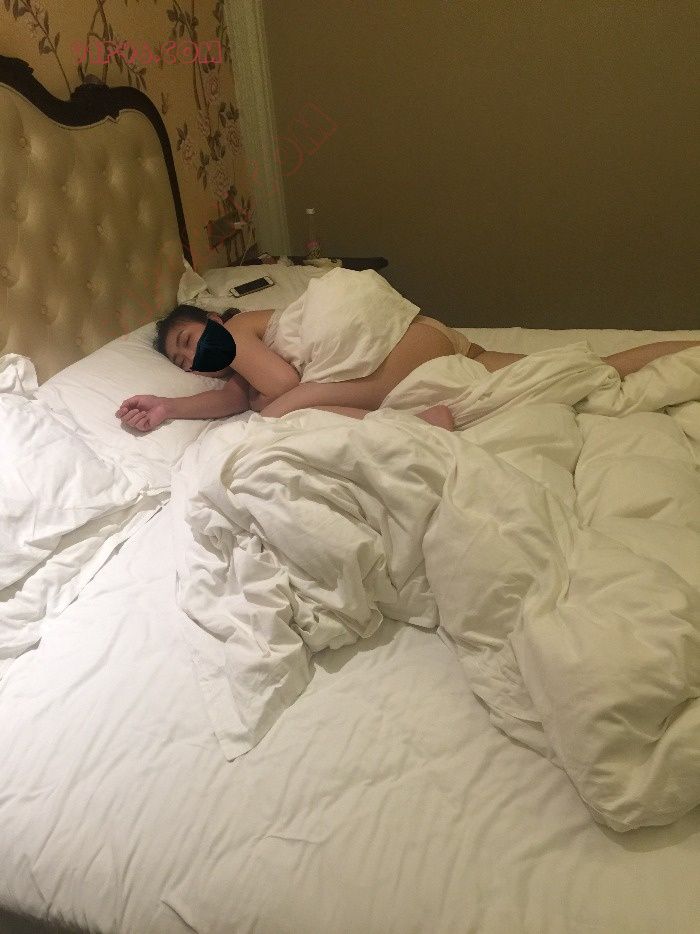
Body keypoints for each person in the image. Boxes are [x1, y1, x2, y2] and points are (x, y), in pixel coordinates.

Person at [116, 303, 699, 433]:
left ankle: (420, 423)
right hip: (433, 342)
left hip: (409, 349)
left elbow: (284, 386)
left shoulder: (239, 328)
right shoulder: (234, 365)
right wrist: (169, 407)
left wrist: (262, 402)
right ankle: (686, 347)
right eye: (184, 361)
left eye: (189, 340)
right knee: (577, 369)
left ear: (211, 318)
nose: (194, 357)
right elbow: (232, 398)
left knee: (276, 411)